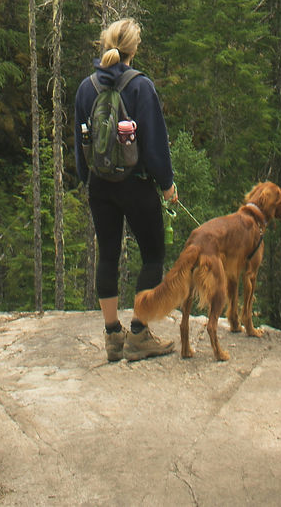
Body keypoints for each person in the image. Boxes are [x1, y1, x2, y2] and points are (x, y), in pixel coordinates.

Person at [74, 18, 178, 362]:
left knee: (107, 255)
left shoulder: (86, 88)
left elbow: (80, 142)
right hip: (136, 185)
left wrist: (82, 178)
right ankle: (138, 333)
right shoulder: (141, 87)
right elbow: (155, 144)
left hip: (100, 186)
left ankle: (112, 336)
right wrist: (166, 186)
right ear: (134, 49)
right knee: (152, 256)